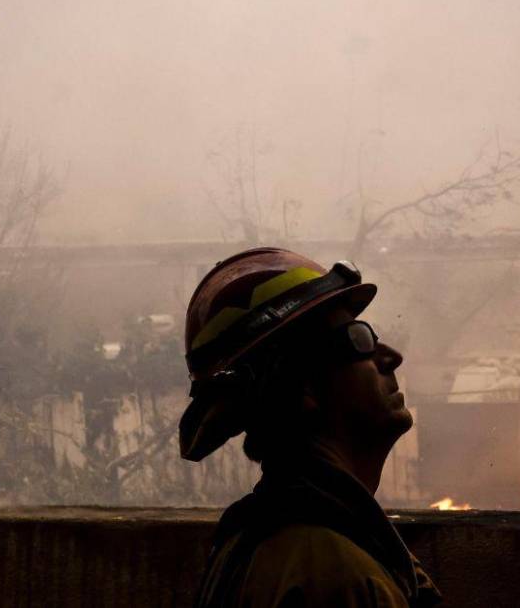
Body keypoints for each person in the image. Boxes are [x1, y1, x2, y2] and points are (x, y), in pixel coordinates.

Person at [179, 247, 441, 607]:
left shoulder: (261, 540)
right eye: (359, 338)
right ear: (304, 388)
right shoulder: (339, 579)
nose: (391, 357)